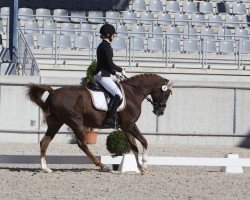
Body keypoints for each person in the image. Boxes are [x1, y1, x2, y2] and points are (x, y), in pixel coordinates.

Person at [93, 23, 126, 128]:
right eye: (113, 34)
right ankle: (109, 120)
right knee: (118, 95)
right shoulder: (106, 46)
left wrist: (115, 73)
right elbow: (110, 64)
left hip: (102, 73)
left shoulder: (102, 45)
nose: (114, 36)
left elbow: (105, 64)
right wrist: (121, 70)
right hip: (102, 75)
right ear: (108, 34)